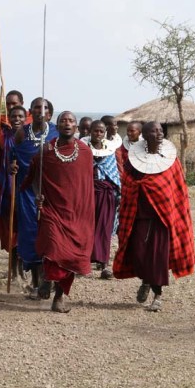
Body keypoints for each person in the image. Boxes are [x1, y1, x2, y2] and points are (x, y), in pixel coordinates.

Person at [113, 121, 195, 312]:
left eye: (160, 130)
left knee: (157, 258)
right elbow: (128, 182)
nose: (158, 133)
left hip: (162, 218)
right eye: (153, 130)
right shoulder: (134, 159)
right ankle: (146, 281)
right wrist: (139, 186)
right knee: (140, 256)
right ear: (145, 135)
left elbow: (176, 189)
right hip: (139, 216)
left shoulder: (171, 159)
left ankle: (157, 295)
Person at [27, 111, 94, 313]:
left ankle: (58, 297)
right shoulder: (46, 150)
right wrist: (38, 196)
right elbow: (34, 176)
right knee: (53, 247)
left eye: (71, 121)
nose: (67, 123)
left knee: (70, 256)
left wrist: (86, 215)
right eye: (63, 121)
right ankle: (48, 277)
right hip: (52, 209)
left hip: (76, 213)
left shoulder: (84, 152)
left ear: (76, 127)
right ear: (57, 125)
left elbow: (87, 186)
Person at [13, 97, 58, 297]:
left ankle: (51, 279)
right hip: (27, 192)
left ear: (50, 113)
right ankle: (37, 281)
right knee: (31, 235)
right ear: (30, 111)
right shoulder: (22, 133)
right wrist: (11, 166)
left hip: (51, 193)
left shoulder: (57, 132)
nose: (41, 111)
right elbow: (12, 158)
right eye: (37, 107)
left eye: (45, 108)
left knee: (51, 235)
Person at [84, 120, 120, 280]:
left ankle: (104, 265)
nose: (98, 134)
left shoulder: (110, 152)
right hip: (87, 193)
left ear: (105, 133)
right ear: (89, 132)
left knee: (104, 228)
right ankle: (84, 262)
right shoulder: (83, 151)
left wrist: (117, 194)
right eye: (95, 131)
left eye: (101, 131)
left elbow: (114, 174)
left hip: (106, 193)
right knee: (86, 227)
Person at [0, 105, 27, 281]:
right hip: (7, 187)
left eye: (20, 116)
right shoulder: (2, 138)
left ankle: (22, 268)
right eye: (13, 116)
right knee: (11, 230)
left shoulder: (30, 138)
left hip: (25, 186)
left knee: (24, 229)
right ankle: (13, 269)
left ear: (25, 118)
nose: (16, 119)